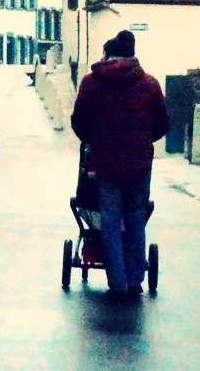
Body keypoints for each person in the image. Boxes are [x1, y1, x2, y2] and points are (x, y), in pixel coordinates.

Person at [71, 30, 167, 299]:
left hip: (105, 161)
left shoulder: (92, 82)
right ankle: (136, 279)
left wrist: (93, 140)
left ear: (108, 54)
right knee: (136, 218)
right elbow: (162, 123)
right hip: (139, 161)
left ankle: (117, 283)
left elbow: (78, 121)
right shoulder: (149, 83)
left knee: (110, 220)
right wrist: (144, 140)